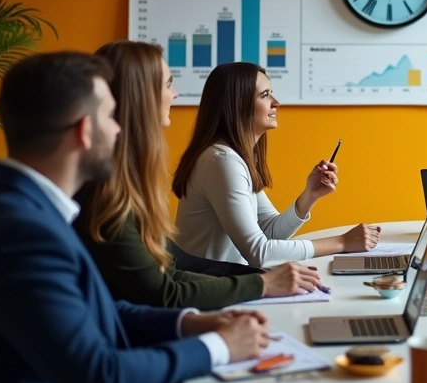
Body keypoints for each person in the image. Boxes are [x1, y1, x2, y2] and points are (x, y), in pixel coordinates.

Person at [0, 52, 269, 383]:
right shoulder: (21, 234)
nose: (119, 129)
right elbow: (102, 381)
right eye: (111, 116)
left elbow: (96, 309)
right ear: (84, 130)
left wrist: (186, 323)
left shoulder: (18, 206)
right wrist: (217, 347)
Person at [74, 41, 324, 309]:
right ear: (141, 97)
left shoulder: (127, 181)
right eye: (168, 84)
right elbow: (164, 290)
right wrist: (265, 282)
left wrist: (307, 199)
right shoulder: (110, 192)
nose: (176, 95)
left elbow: (168, 272)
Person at [173, 62, 379, 268]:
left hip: (224, 282)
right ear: (237, 104)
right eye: (265, 95)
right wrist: (341, 242)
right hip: (208, 289)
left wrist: (309, 196)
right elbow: (259, 252)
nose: (276, 102)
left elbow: (269, 231)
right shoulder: (222, 162)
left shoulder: (234, 158)